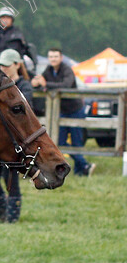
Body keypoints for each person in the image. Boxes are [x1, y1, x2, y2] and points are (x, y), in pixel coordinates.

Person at [31, 48, 95, 176]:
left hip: (75, 109)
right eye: (51, 56)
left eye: (55, 56)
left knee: (77, 142)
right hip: (61, 111)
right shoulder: (49, 70)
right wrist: (35, 83)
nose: (53, 59)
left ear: (61, 58)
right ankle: (84, 165)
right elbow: (40, 81)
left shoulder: (67, 69)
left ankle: (81, 170)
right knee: (59, 141)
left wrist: (45, 83)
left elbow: (66, 84)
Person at [0, 49, 33, 223]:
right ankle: (3, 214)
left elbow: (23, 110)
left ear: (17, 65)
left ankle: (11, 218)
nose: (3, 68)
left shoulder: (25, 86)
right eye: (2, 65)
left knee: (10, 179)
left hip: (15, 142)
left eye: (7, 65)